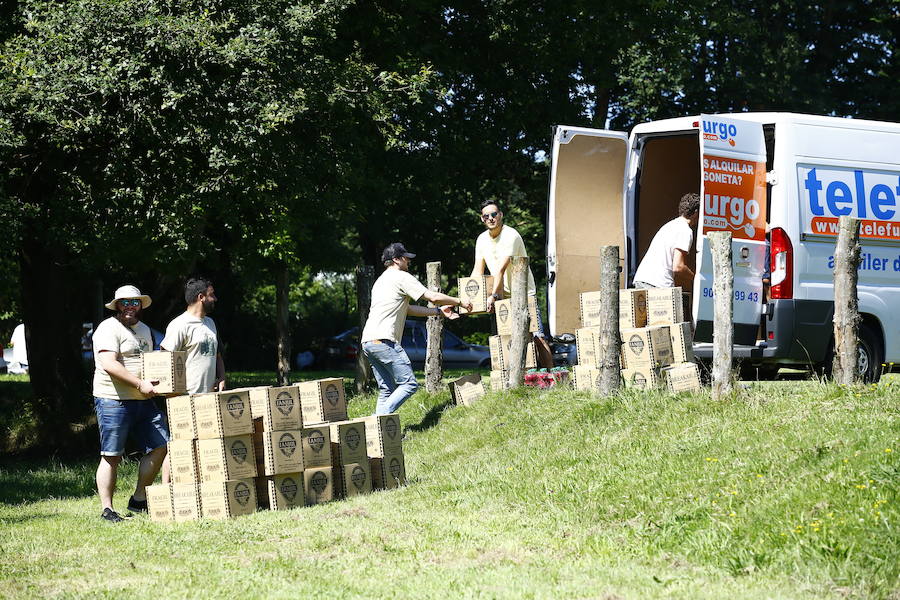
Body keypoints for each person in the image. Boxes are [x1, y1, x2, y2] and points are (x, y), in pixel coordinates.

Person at [362, 243, 473, 415]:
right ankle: (375, 421)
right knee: (409, 384)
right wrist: (459, 301)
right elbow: (433, 296)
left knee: (387, 390)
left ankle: (379, 433)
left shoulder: (381, 281)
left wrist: (438, 312)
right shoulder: (401, 277)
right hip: (384, 341)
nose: (408, 261)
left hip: (369, 341)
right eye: (405, 258)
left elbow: (408, 309)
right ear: (396, 260)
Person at [92, 285, 168, 522]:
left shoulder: (145, 330)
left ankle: (138, 499)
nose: (130, 307)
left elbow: (149, 362)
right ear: (116, 306)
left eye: (134, 303)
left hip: (143, 400)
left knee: (162, 445)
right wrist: (139, 383)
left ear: (140, 306)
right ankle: (108, 509)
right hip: (113, 400)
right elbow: (109, 364)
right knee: (112, 455)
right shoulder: (108, 328)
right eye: (124, 302)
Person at [470, 199, 545, 338]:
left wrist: (492, 295)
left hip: (523, 295)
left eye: (494, 214)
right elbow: (477, 271)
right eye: (486, 216)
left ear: (501, 215)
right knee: (505, 340)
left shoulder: (511, 235)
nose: (491, 218)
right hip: (501, 296)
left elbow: (500, 270)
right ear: (482, 219)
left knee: (537, 338)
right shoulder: (481, 239)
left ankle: (548, 360)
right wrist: (471, 298)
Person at [160, 277, 225, 394]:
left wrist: (222, 378)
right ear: (201, 297)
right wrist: (172, 395)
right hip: (187, 397)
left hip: (211, 396)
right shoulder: (179, 324)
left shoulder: (210, 323)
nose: (215, 299)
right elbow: (165, 360)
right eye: (212, 295)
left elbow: (218, 355)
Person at [633, 193, 701, 290]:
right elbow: (678, 267)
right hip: (658, 283)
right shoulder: (685, 230)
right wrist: (696, 278)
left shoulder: (670, 225)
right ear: (696, 212)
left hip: (642, 279)